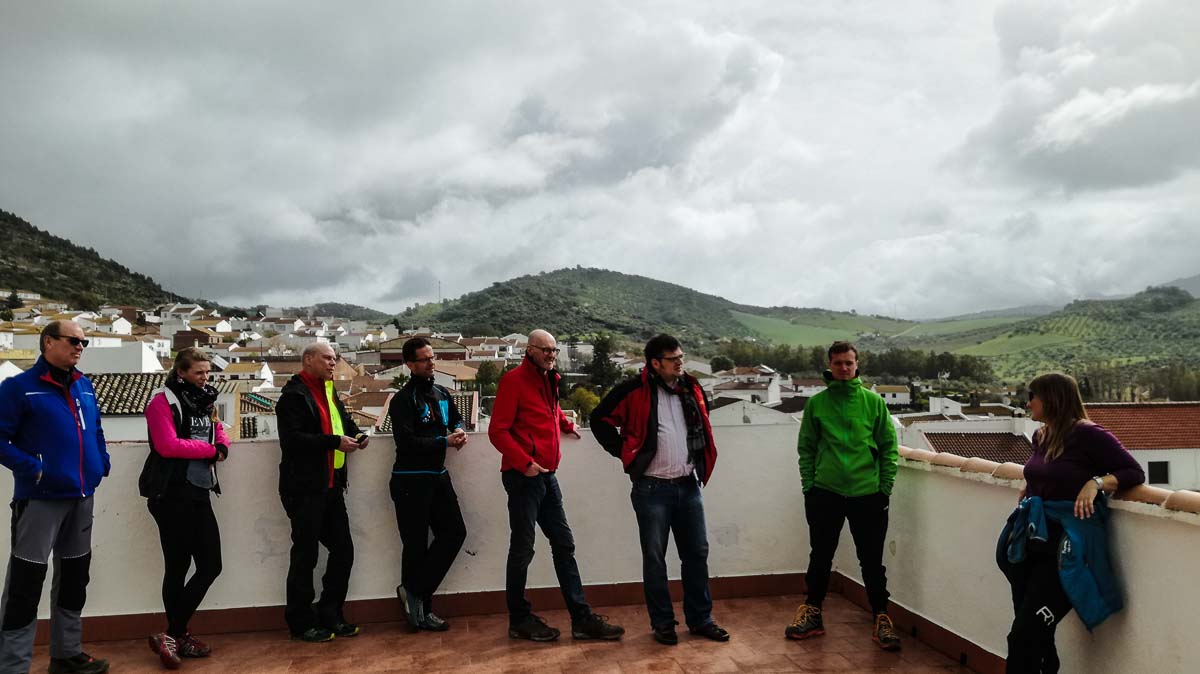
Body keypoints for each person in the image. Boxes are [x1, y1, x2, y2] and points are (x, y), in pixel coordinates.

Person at [998, 373, 1144, 673]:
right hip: (1033, 546)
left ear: (1052, 398)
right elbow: (1047, 473)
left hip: (1064, 553)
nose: (1028, 403)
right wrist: (1032, 487)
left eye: (1032, 396)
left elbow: (1133, 472)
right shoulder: (1042, 436)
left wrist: (1096, 483)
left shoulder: (1090, 435)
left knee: (1024, 637)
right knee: (1039, 638)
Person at [591, 334, 729, 646]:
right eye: (673, 359)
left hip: (688, 485)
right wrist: (624, 452)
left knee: (697, 553)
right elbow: (599, 419)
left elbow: (702, 421)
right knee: (655, 559)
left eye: (681, 357)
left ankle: (701, 619)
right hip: (651, 489)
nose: (680, 362)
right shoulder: (633, 390)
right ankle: (663, 624)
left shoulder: (691, 387)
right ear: (655, 363)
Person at [488, 329, 624, 642]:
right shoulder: (513, 381)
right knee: (523, 549)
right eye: (545, 350)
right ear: (530, 350)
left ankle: (581, 619)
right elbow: (498, 431)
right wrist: (525, 463)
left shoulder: (550, 380)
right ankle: (519, 620)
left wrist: (565, 424)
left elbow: (549, 412)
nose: (551, 355)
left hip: (547, 476)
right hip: (523, 477)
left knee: (564, 544)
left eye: (554, 350)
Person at [0, 320, 110, 674]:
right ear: (48, 342)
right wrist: (34, 469)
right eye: (73, 340)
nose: (80, 347)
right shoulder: (19, 388)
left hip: (82, 497)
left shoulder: (85, 386)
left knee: (75, 579)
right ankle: (12, 665)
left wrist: (101, 463)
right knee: (25, 584)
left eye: (84, 342)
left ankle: (66, 655)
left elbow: (96, 429)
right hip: (40, 499)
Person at [786, 341, 901, 651]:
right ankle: (812, 613)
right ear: (830, 365)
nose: (844, 368)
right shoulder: (817, 404)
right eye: (838, 363)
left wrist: (884, 487)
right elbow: (806, 448)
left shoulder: (873, 402)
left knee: (872, 561)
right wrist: (809, 486)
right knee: (820, 556)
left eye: (849, 363)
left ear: (857, 364)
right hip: (825, 493)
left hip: (868, 494)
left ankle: (881, 617)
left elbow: (889, 447)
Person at [140, 348, 230, 669]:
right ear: (181, 372)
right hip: (171, 494)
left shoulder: (205, 400)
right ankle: (178, 635)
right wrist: (210, 451)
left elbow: (218, 429)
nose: (205, 378)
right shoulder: (161, 402)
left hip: (199, 491)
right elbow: (167, 445)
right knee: (177, 567)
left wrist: (221, 445)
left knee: (210, 565)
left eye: (207, 372)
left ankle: (172, 634)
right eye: (198, 373)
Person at [276, 343, 368, 642]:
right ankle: (301, 622)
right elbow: (293, 440)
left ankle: (330, 613)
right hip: (304, 489)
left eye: (334, 359)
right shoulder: (293, 396)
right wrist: (334, 442)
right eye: (327, 358)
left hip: (332, 487)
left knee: (343, 550)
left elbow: (343, 422)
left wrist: (357, 435)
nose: (333, 363)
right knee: (305, 556)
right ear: (308, 360)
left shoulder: (329, 391)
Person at [389, 337, 468, 632]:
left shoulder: (441, 392)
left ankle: (413, 592)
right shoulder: (403, 400)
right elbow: (407, 442)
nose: (431, 363)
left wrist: (459, 430)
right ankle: (421, 611)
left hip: (437, 477)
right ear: (410, 365)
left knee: (455, 533)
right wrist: (443, 442)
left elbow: (457, 419)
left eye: (432, 357)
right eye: (424, 359)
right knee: (415, 546)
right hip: (410, 481)